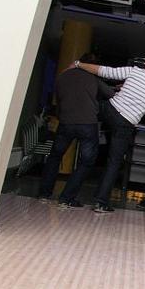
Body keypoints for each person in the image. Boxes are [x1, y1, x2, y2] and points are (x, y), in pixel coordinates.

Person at [76, 54, 145, 213]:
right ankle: (100, 203)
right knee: (114, 162)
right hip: (127, 122)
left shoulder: (134, 71)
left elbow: (105, 71)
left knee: (94, 106)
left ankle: (76, 125)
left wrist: (78, 64)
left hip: (111, 110)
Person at [37, 53, 114, 208]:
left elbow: (58, 100)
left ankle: (44, 194)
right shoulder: (94, 78)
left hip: (66, 123)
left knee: (54, 157)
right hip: (87, 124)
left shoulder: (62, 77)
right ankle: (66, 198)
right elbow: (111, 94)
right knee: (86, 161)